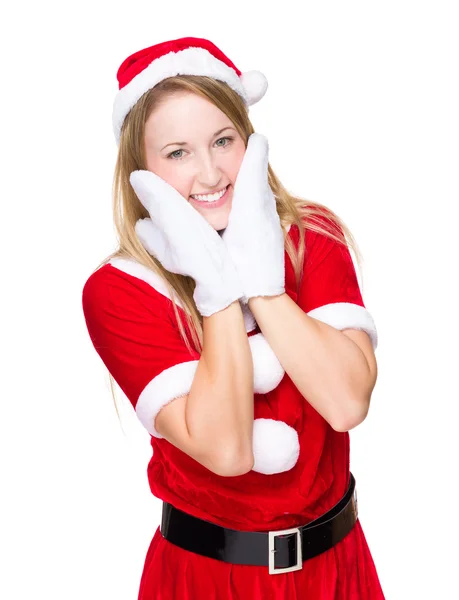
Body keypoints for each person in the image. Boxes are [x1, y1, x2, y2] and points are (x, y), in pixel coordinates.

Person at [81, 36, 385, 599]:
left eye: (223, 141)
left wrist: (262, 282)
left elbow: (346, 404)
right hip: (206, 579)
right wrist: (216, 289)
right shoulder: (119, 291)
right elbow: (227, 451)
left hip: (336, 569)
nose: (211, 172)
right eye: (177, 153)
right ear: (139, 172)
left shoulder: (311, 237)